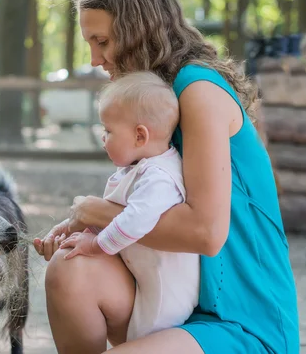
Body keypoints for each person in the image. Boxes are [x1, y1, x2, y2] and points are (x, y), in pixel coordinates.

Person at [33, 0, 299, 354]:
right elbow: (148, 211)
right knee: (69, 268)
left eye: (102, 42)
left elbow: (206, 234)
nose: (94, 59)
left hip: (241, 320)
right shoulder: (154, 102)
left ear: (137, 31)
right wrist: (84, 230)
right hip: (180, 309)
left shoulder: (198, 91)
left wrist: (97, 212)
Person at [59, 71, 200, 342]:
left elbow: (135, 220)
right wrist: (78, 229)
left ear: (140, 136)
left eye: (108, 131)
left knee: (142, 339)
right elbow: (113, 214)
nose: (103, 138)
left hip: (165, 295)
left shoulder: (160, 176)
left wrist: (95, 245)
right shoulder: (140, 168)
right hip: (143, 276)